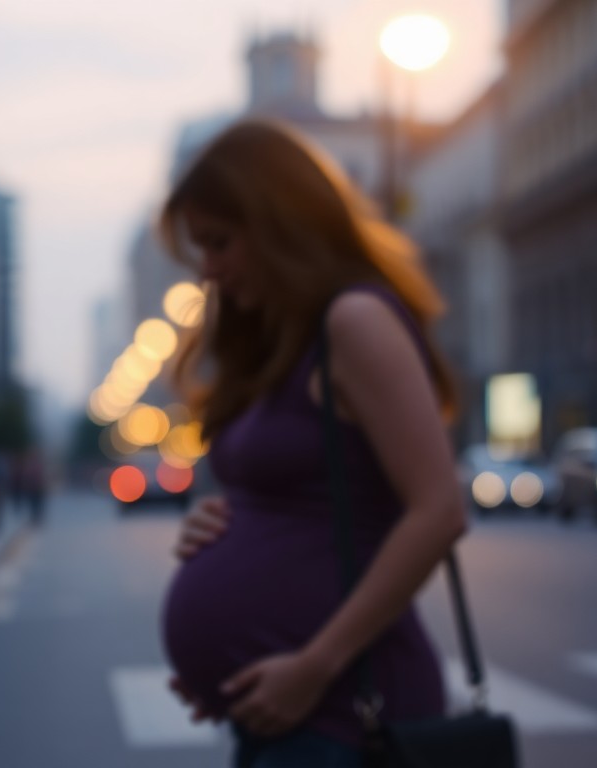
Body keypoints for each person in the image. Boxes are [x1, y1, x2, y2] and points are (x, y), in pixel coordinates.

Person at [157, 120, 468, 767]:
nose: (208, 270)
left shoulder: (355, 321)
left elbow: (438, 512)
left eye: (219, 243)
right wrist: (219, 526)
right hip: (286, 720)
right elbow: (303, 503)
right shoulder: (282, 343)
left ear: (279, 224)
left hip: (344, 716)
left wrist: (312, 667)